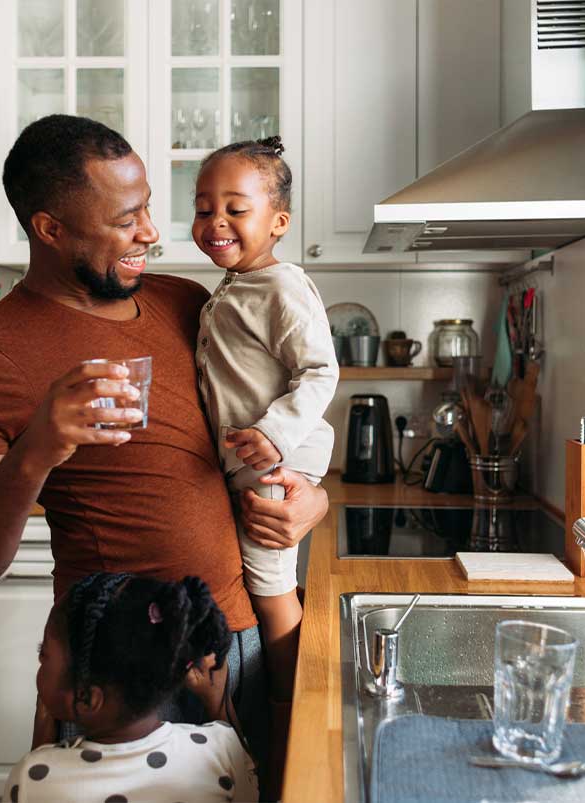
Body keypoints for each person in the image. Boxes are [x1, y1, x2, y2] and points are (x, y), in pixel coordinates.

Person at [0, 115, 329, 782]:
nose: (151, 234)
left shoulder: (191, 304)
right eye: (126, 218)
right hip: (125, 680)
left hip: (235, 649)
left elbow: (273, 423)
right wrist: (37, 450)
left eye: (149, 209)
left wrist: (313, 498)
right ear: (50, 228)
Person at [191, 137, 338, 704]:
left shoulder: (282, 284)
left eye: (236, 208)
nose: (216, 221)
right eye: (205, 209)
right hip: (248, 463)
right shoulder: (231, 288)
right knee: (258, 579)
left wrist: (274, 435)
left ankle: (293, 704)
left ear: (279, 222)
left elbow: (320, 372)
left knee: (269, 584)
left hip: (278, 463)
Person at [3, 572, 258, 803]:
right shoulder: (219, 752)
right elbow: (252, 789)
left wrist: (43, 722)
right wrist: (217, 705)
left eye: (42, 655)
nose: (39, 663)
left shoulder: (34, 777)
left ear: (90, 698)